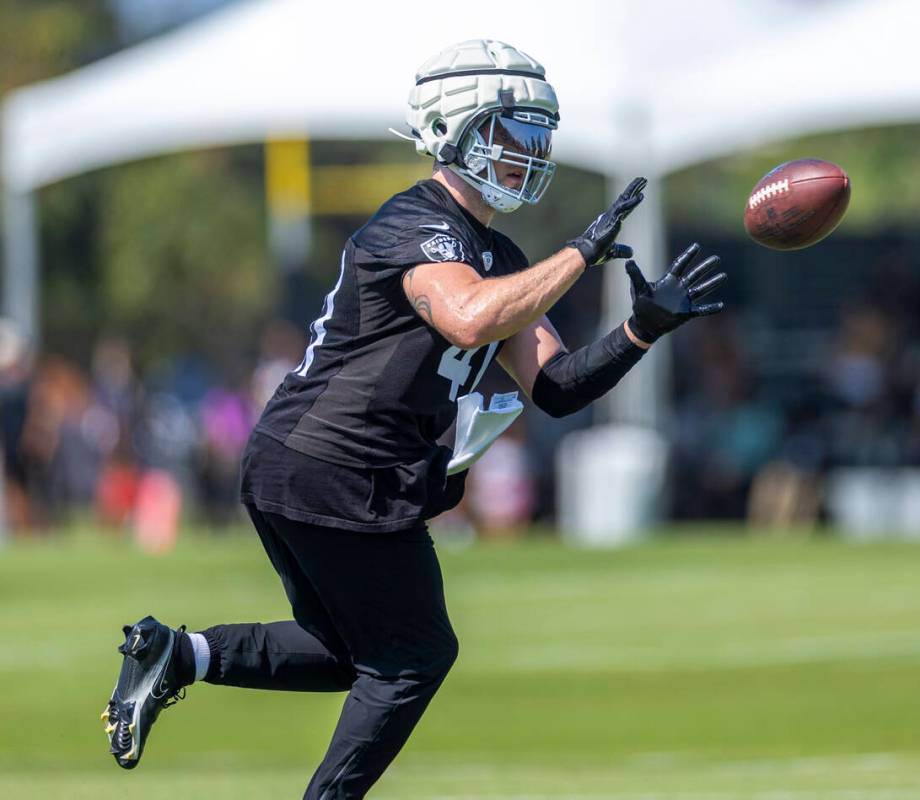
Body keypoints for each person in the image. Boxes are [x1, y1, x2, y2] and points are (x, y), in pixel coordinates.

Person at [100, 39, 727, 798]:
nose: (529, 152)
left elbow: (556, 386)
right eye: (510, 133)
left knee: (353, 653)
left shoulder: (497, 252)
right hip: (332, 463)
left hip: (323, 466)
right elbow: (467, 319)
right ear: (454, 130)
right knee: (411, 657)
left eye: (537, 136)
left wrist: (640, 331)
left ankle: (179, 655)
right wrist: (577, 254)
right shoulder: (415, 223)